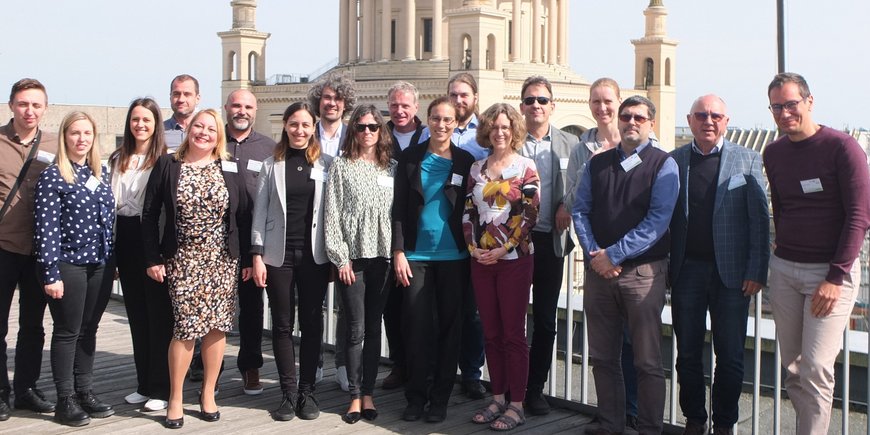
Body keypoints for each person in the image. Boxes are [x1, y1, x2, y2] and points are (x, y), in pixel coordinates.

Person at [763, 72, 870, 435]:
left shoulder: (843, 148)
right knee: (793, 367)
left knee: (816, 367)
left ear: (809, 101)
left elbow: (860, 215)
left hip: (829, 274)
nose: (784, 113)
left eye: (791, 104)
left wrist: (835, 277)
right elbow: (782, 206)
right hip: (785, 271)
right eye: (777, 107)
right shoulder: (774, 152)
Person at [572, 96, 678, 435]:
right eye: (626, 116)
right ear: (618, 120)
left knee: (647, 361)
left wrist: (613, 255)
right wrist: (594, 253)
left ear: (651, 124)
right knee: (602, 357)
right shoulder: (597, 163)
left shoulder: (664, 164)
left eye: (640, 117)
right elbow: (579, 210)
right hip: (599, 273)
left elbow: (657, 221)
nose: (632, 122)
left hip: (643, 275)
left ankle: (649, 429)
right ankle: (611, 424)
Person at [142, 109, 252, 429]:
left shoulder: (228, 167)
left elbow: (242, 214)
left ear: (219, 136)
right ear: (189, 130)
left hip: (222, 260)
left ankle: (207, 393)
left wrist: (246, 258)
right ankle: (175, 397)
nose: (204, 133)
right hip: (184, 259)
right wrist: (152, 259)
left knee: (218, 327)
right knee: (186, 328)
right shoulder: (168, 165)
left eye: (211, 129)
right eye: (198, 127)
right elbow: (149, 215)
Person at [670, 94, 770, 435]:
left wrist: (757, 271)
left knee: (729, 358)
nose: (708, 121)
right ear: (690, 118)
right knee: (687, 354)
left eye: (715, 115)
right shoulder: (675, 160)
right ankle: (695, 419)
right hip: (687, 272)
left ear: (726, 121)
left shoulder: (748, 159)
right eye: (701, 115)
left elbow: (759, 220)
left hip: (733, 276)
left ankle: (724, 423)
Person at [393, 96, 475, 422]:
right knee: (416, 328)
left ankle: (440, 398)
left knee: (450, 329)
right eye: (436, 118)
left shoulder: (465, 161)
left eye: (448, 120)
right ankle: (416, 396)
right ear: (427, 120)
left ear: (456, 124)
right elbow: (398, 207)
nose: (441, 125)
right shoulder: (411, 158)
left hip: (454, 255)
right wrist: (398, 250)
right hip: (415, 255)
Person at [565, 77, 640, 429]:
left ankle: (633, 411)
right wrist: (596, 252)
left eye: (608, 101)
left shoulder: (641, 144)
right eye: (595, 102)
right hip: (598, 258)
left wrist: (621, 253)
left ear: (619, 102)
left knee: (634, 344)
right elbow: (572, 202)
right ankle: (609, 412)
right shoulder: (582, 149)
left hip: (636, 259)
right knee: (604, 345)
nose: (602, 108)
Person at [250, 102, 332, 421]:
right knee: (282, 325)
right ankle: (287, 392)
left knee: (312, 324)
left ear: (314, 129)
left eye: (306, 125)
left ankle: (307, 391)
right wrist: (257, 256)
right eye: (294, 124)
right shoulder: (271, 165)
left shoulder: (327, 164)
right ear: (285, 125)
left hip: (314, 256)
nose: (299, 130)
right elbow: (260, 211)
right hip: (277, 256)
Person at [34, 111, 116, 426]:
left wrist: (111, 259)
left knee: (89, 330)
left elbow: (107, 219)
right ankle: (65, 398)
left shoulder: (98, 173)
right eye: (75, 133)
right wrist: (51, 272)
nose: (81, 139)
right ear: (65, 137)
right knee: (68, 332)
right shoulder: (54, 175)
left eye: (87, 134)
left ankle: (85, 390)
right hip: (68, 263)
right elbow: (46, 228)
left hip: (99, 263)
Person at [464, 103, 540, 431]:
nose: (500, 132)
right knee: (491, 333)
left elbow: (530, 214)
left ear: (514, 130)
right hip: (481, 261)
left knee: (513, 335)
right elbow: (468, 212)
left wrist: (504, 248)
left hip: (514, 261)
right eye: (494, 127)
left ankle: (517, 404)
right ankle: (497, 397)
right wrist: (472, 248)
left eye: (506, 127)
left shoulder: (526, 167)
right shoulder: (477, 169)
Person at [324, 104, 394, 424]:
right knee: (354, 328)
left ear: (381, 131)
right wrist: (340, 258)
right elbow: (332, 215)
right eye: (361, 127)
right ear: (353, 130)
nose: (367, 132)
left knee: (373, 327)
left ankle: (369, 393)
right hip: (352, 260)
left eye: (373, 127)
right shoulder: (340, 166)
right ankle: (353, 395)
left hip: (383, 258)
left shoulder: (389, 167)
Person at [517, 75, 579, 416]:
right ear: (522, 106)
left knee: (544, 318)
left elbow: (581, 183)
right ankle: (510, 387)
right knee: (511, 319)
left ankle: (534, 389)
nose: (536, 106)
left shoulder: (570, 144)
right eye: (530, 100)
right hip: (515, 243)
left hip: (550, 242)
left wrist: (565, 205)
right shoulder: (510, 142)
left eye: (542, 100)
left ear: (552, 106)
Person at [0, 78, 58, 420]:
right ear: (11, 106)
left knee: (34, 326)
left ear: (45, 108)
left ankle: (26, 389)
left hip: (39, 250)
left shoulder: (54, 142)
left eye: (37, 104)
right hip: (4, 246)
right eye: (24, 103)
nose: (30, 110)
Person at [110, 98, 172, 413]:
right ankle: (143, 383)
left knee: (158, 316)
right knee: (136, 314)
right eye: (135, 119)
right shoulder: (117, 158)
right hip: (124, 238)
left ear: (156, 123)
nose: (140, 125)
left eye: (146, 120)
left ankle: (161, 386)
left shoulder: (165, 160)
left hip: (152, 241)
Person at [224, 89, 276, 396]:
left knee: (253, 308)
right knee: (213, 306)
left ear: (255, 111)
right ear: (227, 108)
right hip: (217, 240)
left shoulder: (269, 148)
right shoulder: (214, 143)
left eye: (247, 106)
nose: (241, 111)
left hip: (254, 243)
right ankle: (205, 366)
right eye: (236, 105)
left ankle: (250, 366)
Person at [308, 71, 356, 390]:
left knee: (345, 302)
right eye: (327, 98)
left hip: (344, 230)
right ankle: (313, 361)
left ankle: (341, 362)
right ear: (318, 102)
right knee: (312, 302)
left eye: (337, 99)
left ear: (345, 103)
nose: (332, 103)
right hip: (310, 228)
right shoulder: (304, 132)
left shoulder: (354, 136)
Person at [382, 81, 430, 391]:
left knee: (421, 306)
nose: (400, 111)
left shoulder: (429, 136)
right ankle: (400, 364)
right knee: (392, 305)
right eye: (395, 105)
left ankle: (423, 367)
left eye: (405, 106)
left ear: (415, 107)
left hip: (419, 233)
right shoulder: (376, 134)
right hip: (383, 232)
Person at [447, 72, 487, 400]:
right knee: (441, 306)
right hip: (444, 229)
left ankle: (472, 373)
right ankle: (440, 368)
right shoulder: (436, 128)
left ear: (475, 97)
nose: (459, 101)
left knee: (473, 310)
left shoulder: (485, 135)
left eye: (464, 95)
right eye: (453, 95)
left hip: (475, 229)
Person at [164, 74, 201, 152]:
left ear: (197, 99)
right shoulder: (158, 132)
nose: (181, 99)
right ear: (170, 97)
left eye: (187, 94)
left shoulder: (207, 132)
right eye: (176, 94)